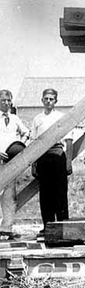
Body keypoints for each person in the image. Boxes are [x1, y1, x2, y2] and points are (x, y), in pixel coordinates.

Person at [31, 89, 72, 231]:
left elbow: (69, 140)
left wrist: (68, 162)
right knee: (45, 194)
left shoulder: (61, 117)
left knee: (60, 192)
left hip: (58, 156)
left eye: (52, 99)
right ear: (42, 100)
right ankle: (48, 226)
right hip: (43, 158)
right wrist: (34, 164)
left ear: (56, 101)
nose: (49, 101)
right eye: (46, 98)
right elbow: (33, 143)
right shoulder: (37, 119)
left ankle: (63, 226)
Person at [0, 89, 29, 239]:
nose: (6, 103)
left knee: (9, 195)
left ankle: (6, 228)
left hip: (10, 161)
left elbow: (26, 132)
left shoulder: (15, 118)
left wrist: (18, 146)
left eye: (8, 100)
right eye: (3, 100)